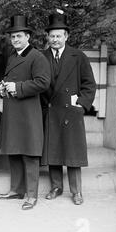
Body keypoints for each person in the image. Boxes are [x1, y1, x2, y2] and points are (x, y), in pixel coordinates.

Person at [41, 13, 96, 205]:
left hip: (71, 111)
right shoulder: (41, 56)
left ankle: (76, 191)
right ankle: (56, 187)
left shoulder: (78, 56)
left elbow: (89, 84)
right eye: (52, 36)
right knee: (54, 150)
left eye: (58, 36)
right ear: (47, 37)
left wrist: (81, 104)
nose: (55, 39)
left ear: (66, 36)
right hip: (51, 110)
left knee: (73, 153)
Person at [0, 15, 51, 210]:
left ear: (28, 36)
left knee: (29, 153)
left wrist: (17, 87)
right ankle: (16, 190)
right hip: (13, 112)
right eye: (13, 37)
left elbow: (43, 82)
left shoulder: (37, 56)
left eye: (19, 36)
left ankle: (31, 195)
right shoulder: (12, 56)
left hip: (28, 113)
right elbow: (9, 78)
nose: (16, 40)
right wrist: (3, 87)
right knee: (14, 151)